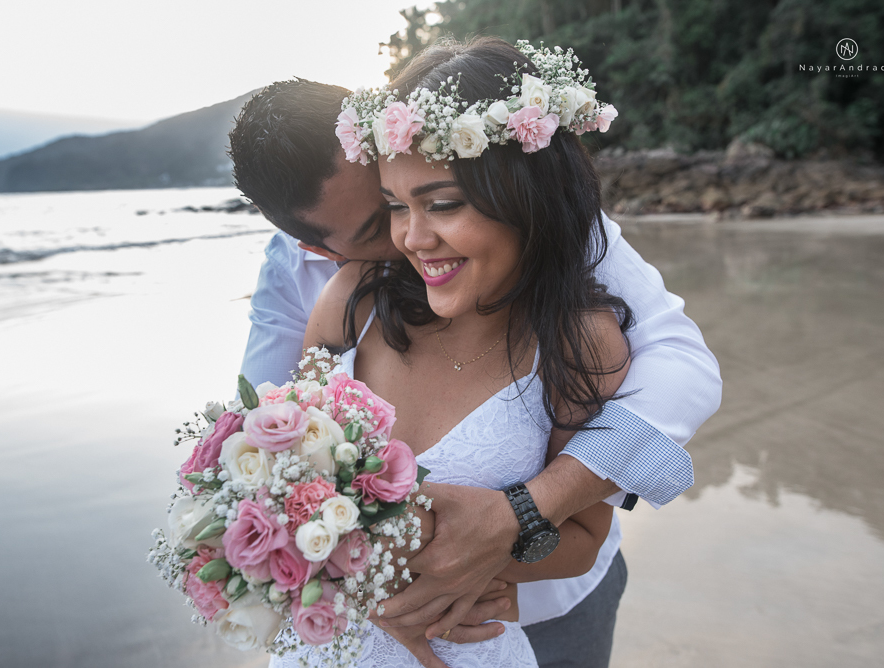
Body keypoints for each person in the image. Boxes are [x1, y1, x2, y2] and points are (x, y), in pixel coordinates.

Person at [229, 42, 722, 668]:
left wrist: (517, 520)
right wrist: (363, 581)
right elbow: (264, 457)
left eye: (437, 202)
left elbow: (682, 362)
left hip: (543, 609)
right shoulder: (341, 296)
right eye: (388, 211)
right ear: (317, 248)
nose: (409, 239)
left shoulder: (576, 307)